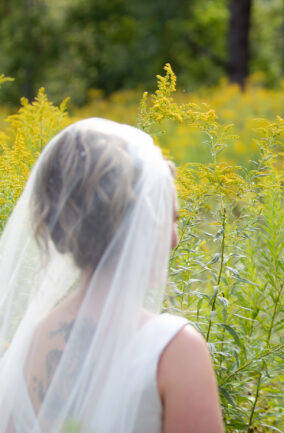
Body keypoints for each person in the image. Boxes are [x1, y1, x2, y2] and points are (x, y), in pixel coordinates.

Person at [0, 118, 225, 433]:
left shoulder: (27, 347)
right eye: (171, 218)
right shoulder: (175, 349)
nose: (175, 238)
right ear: (142, 222)